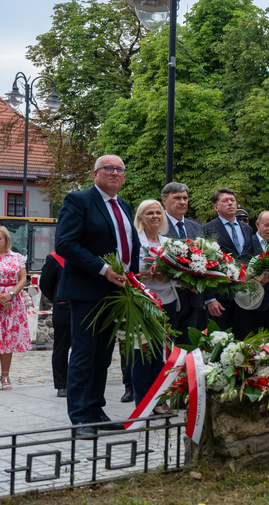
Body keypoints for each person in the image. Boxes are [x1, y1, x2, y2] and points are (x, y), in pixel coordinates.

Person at [55, 154, 140, 433]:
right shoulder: (79, 201)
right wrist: (103, 269)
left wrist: (137, 278)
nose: (115, 173)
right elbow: (66, 243)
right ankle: (79, 417)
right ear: (95, 174)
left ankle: (95, 410)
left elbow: (129, 247)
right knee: (84, 353)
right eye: (108, 169)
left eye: (120, 169)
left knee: (103, 355)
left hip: (116, 292)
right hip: (87, 290)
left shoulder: (124, 206)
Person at [131, 199, 179, 412]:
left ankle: (160, 399)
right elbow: (125, 271)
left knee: (165, 354)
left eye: (158, 213)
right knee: (143, 354)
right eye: (149, 213)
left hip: (167, 302)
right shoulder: (134, 242)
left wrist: (169, 276)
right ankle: (144, 402)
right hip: (143, 303)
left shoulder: (169, 243)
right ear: (141, 218)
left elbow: (180, 274)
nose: (155, 216)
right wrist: (145, 273)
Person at [200, 188, 254, 331]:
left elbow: (249, 258)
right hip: (220, 297)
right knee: (219, 342)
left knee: (242, 343)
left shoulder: (247, 229)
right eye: (225, 201)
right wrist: (209, 298)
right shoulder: (207, 229)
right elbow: (202, 265)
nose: (230, 203)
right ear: (216, 207)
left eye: (232, 200)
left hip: (244, 296)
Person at [161, 181, 203, 331]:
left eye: (185, 198)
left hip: (193, 299)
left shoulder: (197, 228)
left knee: (189, 348)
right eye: (177, 198)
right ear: (164, 201)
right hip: (167, 295)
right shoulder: (157, 226)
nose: (182, 202)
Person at [0, 226, 29, 390]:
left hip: (12, 301)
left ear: (6, 240)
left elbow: (23, 278)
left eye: (0, 238)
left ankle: (5, 376)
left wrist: (10, 294)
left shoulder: (17, 257)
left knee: (7, 341)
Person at [38, 251, 69, 397]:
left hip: (84, 307)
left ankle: (78, 381)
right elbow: (45, 284)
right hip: (64, 308)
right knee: (61, 347)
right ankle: (62, 384)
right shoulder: (54, 258)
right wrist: (58, 298)